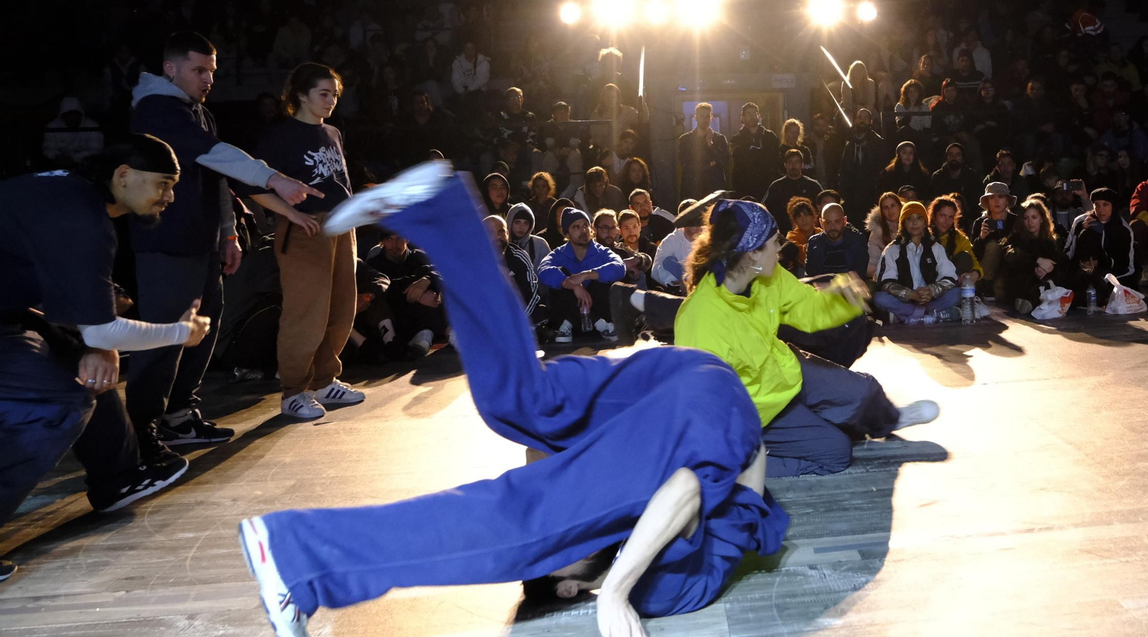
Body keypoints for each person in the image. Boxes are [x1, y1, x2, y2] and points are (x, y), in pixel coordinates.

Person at [239, 164, 788, 637]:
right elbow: (690, 486)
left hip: (677, 380)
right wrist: (618, 591)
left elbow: (545, 468)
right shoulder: (670, 586)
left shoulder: (626, 527)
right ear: (574, 584)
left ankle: (445, 212)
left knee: (518, 399)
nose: (556, 560)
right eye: (558, 567)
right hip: (706, 413)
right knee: (524, 524)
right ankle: (298, 557)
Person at [1, 137, 211, 579]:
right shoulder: (81, 217)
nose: (170, 197)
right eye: (163, 184)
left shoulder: (70, 194)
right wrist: (180, 333)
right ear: (123, 175)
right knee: (58, 400)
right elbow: (102, 327)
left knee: (84, 355)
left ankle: (118, 478)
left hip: (14, 311)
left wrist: (98, 341)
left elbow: (89, 319)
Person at [127, 32, 319, 463]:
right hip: (165, 243)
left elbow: (217, 180)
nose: (208, 79)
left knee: (201, 331)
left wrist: (228, 235)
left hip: (203, 243)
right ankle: (139, 434)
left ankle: (178, 417)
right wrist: (272, 177)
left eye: (212, 71)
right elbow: (215, 154)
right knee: (164, 337)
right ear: (170, 69)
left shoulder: (200, 112)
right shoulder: (156, 109)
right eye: (199, 70)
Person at [672, 197, 939, 477]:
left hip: (784, 369)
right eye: (774, 241)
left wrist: (841, 298)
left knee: (863, 391)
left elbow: (808, 310)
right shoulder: (701, 318)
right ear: (752, 252)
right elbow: (705, 402)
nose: (781, 247)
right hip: (756, 414)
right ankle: (747, 465)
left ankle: (889, 420)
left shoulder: (768, 278)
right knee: (836, 453)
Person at [251, 64, 365, 422]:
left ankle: (324, 381)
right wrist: (292, 215)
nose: (331, 101)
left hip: (342, 227)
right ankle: (293, 392)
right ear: (301, 95)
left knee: (340, 308)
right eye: (323, 94)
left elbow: (338, 181)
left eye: (334, 94)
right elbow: (251, 185)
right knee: (306, 312)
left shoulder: (332, 131)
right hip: (306, 230)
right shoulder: (280, 135)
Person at [537, 207, 626, 342]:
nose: (583, 231)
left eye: (585, 225)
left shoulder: (601, 251)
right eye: (576, 227)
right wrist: (573, 284)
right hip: (575, 317)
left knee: (601, 276)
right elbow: (543, 270)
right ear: (566, 233)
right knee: (561, 273)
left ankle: (573, 322)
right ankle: (591, 323)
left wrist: (587, 275)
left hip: (598, 309)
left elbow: (620, 267)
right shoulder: (559, 253)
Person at [872, 201, 961, 323]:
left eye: (919, 218)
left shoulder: (935, 247)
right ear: (903, 223)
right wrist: (910, 294)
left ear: (925, 222)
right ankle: (930, 317)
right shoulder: (892, 250)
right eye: (909, 219)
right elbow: (885, 283)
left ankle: (907, 317)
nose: (914, 223)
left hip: (930, 300)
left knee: (957, 293)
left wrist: (931, 291)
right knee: (880, 298)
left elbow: (950, 278)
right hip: (906, 301)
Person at [364, 230, 447, 359]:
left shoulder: (418, 256)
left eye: (399, 238)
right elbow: (383, 288)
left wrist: (426, 280)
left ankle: (449, 333)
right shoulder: (375, 264)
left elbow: (443, 272)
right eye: (389, 240)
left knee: (442, 292)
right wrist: (417, 293)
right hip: (398, 315)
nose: (395, 244)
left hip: (427, 310)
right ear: (383, 243)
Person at [995, 198, 1067, 314]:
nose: (1030, 222)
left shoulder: (1050, 241)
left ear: (1042, 219)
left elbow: (1059, 259)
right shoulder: (1017, 239)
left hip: (1045, 280)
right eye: (1026, 218)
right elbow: (1012, 255)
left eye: (1034, 217)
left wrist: (1047, 269)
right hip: (1021, 281)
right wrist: (1037, 261)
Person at [1064, 188, 1136, 283]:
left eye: (1105, 205)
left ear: (1113, 206)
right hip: (1081, 269)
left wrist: (1102, 271)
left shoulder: (1123, 229)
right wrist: (1081, 231)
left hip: (1110, 274)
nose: (1100, 209)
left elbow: (1127, 267)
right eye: (1097, 205)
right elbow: (1068, 252)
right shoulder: (1080, 221)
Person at [837, 106, 890, 220]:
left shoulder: (878, 142)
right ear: (855, 120)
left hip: (870, 192)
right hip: (852, 192)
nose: (862, 120)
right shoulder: (849, 142)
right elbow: (844, 167)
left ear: (871, 121)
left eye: (866, 118)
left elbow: (882, 168)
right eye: (860, 117)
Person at [486, 214, 541, 325]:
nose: (497, 237)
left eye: (501, 232)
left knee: (541, 312)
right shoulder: (471, 259)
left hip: (515, 315)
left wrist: (516, 322)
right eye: (491, 233)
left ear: (507, 234)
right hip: (485, 315)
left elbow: (531, 293)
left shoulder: (519, 256)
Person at [969, 182, 1016, 294]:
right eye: (991, 197)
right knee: (993, 246)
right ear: (988, 202)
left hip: (1008, 268)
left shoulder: (1015, 221)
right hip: (985, 270)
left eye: (1000, 196)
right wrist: (982, 237)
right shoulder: (980, 222)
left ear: (1007, 201)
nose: (996, 201)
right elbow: (973, 255)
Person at [729, 102, 782, 201]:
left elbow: (775, 160)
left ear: (759, 116)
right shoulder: (737, 139)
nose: (752, 117)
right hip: (745, 187)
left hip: (767, 185)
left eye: (754, 113)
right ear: (743, 118)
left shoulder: (769, 137)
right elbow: (736, 164)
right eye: (748, 114)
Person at [761, 148, 822, 233]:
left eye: (797, 162)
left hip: (810, 234)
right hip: (782, 234)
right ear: (785, 165)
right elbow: (765, 210)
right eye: (790, 162)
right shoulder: (776, 186)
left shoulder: (813, 186)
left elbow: (822, 208)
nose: (793, 166)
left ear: (802, 165)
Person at [677, 103, 730, 199]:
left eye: (707, 116)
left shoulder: (719, 139)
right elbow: (686, 164)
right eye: (701, 116)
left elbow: (725, 162)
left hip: (714, 189)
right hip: (693, 189)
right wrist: (711, 164)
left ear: (711, 118)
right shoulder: (685, 139)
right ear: (696, 117)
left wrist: (710, 144)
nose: (704, 119)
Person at [806, 203, 870, 280]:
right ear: (821, 223)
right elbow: (811, 278)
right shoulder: (814, 244)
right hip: (821, 290)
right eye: (828, 222)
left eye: (837, 222)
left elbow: (859, 275)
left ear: (844, 221)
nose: (833, 227)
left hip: (851, 289)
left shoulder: (857, 240)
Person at [928, 195, 981, 287]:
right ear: (934, 216)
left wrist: (975, 274)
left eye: (950, 217)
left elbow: (973, 261)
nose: (946, 221)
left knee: (964, 257)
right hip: (928, 279)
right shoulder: (924, 235)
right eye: (942, 215)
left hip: (952, 281)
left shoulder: (959, 238)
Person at [40, 97, 105, 167]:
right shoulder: (52, 127)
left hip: (86, 165)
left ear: (81, 114)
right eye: (68, 115)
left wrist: (74, 158)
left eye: (75, 114)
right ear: (62, 116)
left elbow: (97, 149)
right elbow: (48, 148)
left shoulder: (92, 126)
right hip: (58, 165)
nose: (72, 118)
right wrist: (57, 156)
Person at [863, 192, 902, 279]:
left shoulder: (911, 226)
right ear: (882, 211)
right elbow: (871, 266)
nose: (890, 210)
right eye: (886, 208)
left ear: (899, 206)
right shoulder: (877, 233)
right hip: (888, 278)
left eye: (893, 205)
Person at [782, 198, 819, 273]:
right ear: (795, 221)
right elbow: (800, 255)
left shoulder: (821, 232)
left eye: (806, 215)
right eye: (799, 217)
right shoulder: (792, 236)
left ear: (814, 217)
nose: (803, 219)